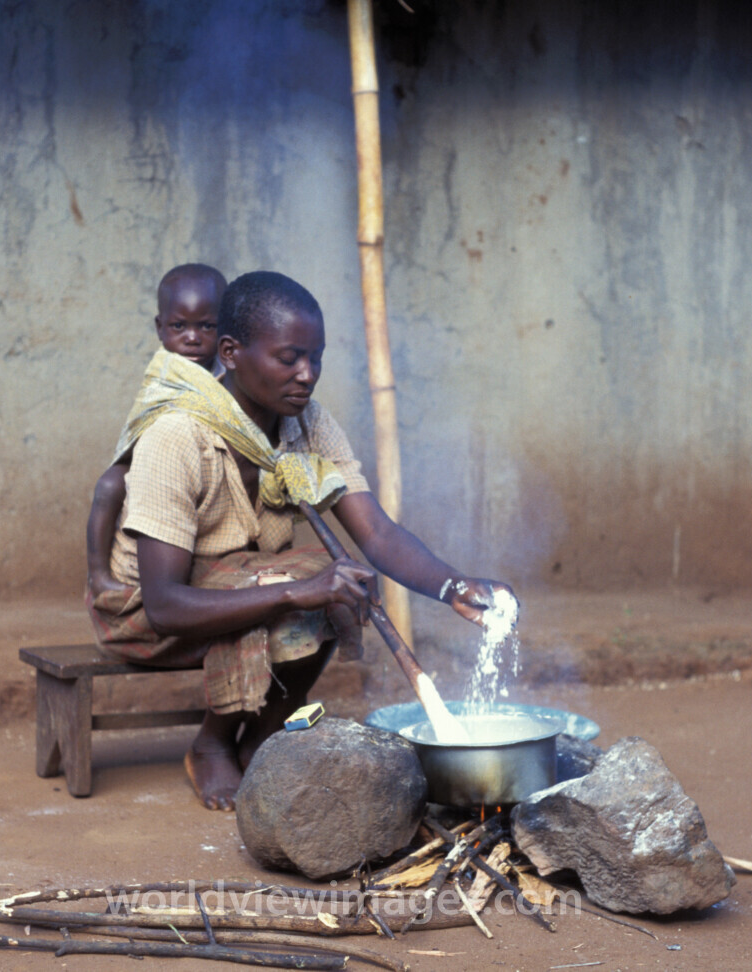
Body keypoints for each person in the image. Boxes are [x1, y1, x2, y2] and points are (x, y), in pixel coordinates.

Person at [89, 270, 511, 810]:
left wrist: (452, 586)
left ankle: (263, 732)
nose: (307, 375)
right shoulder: (177, 435)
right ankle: (213, 743)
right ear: (231, 352)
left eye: (316, 358)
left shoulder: (305, 422)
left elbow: (375, 533)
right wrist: (297, 592)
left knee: (342, 580)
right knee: (298, 581)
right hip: (146, 614)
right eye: (289, 358)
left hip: (236, 584)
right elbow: (166, 605)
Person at [85, 264, 227, 602]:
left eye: (206, 326)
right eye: (179, 326)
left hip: (206, 464)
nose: (192, 337)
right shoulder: (164, 370)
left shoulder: (230, 370)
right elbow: (147, 420)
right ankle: (98, 575)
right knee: (108, 485)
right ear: (160, 328)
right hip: (154, 463)